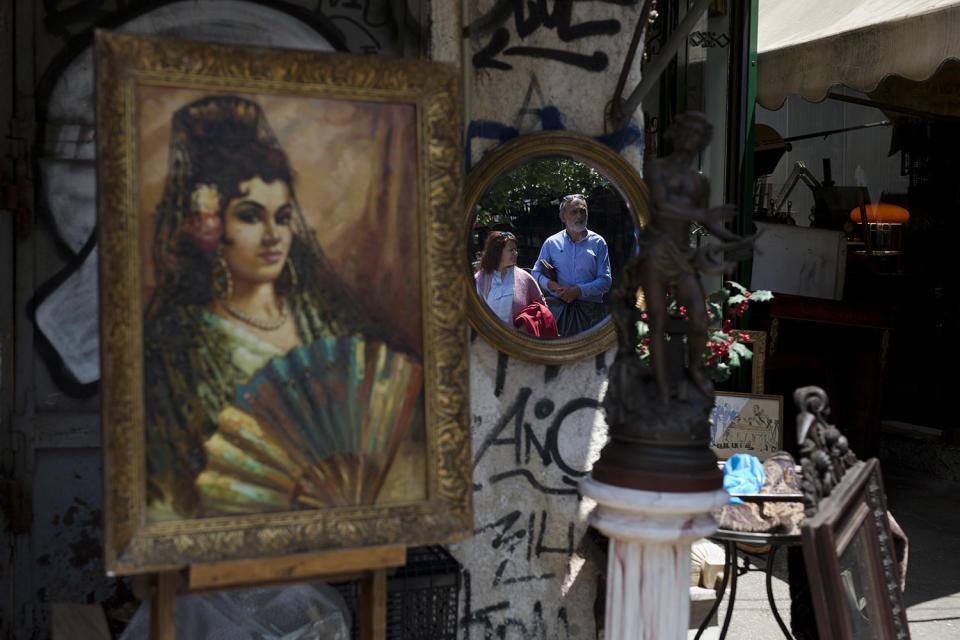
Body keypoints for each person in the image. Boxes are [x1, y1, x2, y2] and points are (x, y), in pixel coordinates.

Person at [143, 95, 405, 520]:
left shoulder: (322, 315)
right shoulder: (179, 342)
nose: (273, 236)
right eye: (250, 217)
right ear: (211, 229)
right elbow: (164, 495)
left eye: (282, 217)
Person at [617, 111, 754, 405]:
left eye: (698, 135)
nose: (692, 139)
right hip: (656, 251)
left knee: (699, 318)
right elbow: (662, 207)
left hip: (681, 254)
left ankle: (694, 369)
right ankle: (662, 385)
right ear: (676, 135)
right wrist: (705, 215)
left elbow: (706, 221)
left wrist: (735, 238)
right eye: (688, 132)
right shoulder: (656, 169)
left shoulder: (698, 182)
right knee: (656, 318)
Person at [531, 194, 612, 336]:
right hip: (558, 310)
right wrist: (554, 286)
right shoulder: (551, 243)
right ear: (563, 217)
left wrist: (577, 291)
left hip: (590, 313)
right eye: (574, 212)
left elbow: (605, 281)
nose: (579, 216)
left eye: (583, 211)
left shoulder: (598, 242)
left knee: (590, 355)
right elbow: (535, 273)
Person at [474, 230, 549, 326]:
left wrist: (527, 326)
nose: (516, 253)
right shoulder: (480, 279)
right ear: (497, 252)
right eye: (511, 250)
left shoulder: (525, 279)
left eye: (515, 250)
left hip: (519, 340)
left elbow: (543, 310)